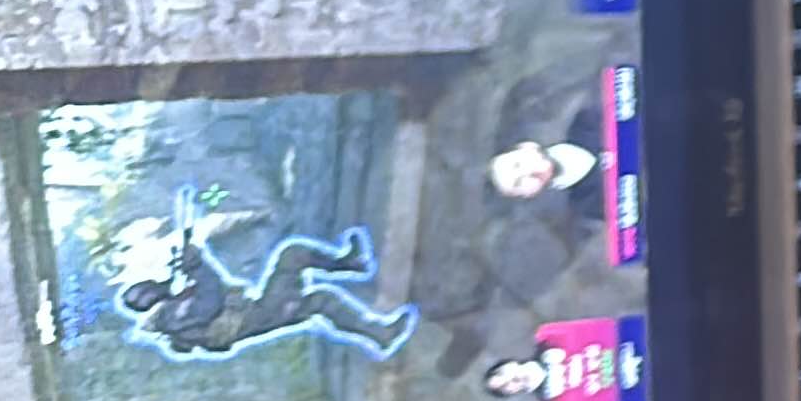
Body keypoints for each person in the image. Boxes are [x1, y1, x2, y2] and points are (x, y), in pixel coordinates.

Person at [108, 198, 414, 362]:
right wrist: (197, 265)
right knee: (319, 300)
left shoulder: (171, 314)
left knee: (294, 255)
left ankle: (351, 263)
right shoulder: (174, 317)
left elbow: (204, 292)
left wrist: (190, 266)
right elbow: (210, 298)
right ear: (150, 298)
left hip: (256, 311)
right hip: (261, 317)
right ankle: (380, 333)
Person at [488, 140, 600, 200]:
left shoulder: (584, 121)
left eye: (517, 165)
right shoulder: (584, 209)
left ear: (527, 146)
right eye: (519, 182)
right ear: (527, 194)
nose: (528, 172)